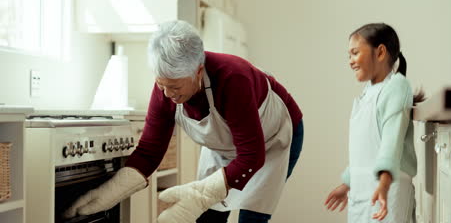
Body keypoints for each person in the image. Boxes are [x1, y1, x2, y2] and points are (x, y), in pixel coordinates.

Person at [64, 20, 304, 223]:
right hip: (225, 147)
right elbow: (149, 151)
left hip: (272, 139)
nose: (168, 94)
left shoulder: (233, 79)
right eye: (161, 84)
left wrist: (199, 194)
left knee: (251, 215)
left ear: (198, 72)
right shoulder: (166, 87)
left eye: (175, 86)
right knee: (209, 216)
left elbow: (252, 156)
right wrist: (106, 195)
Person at [324, 23, 423, 222]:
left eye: (355, 53)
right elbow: (365, 151)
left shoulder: (396, 86)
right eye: (348, 55)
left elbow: (390, 144)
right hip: (362, 193)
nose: (350, 61)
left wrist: (384, 185)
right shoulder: (367, 92)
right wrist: (347, 184)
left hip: (388, 190)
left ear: (380, 53)